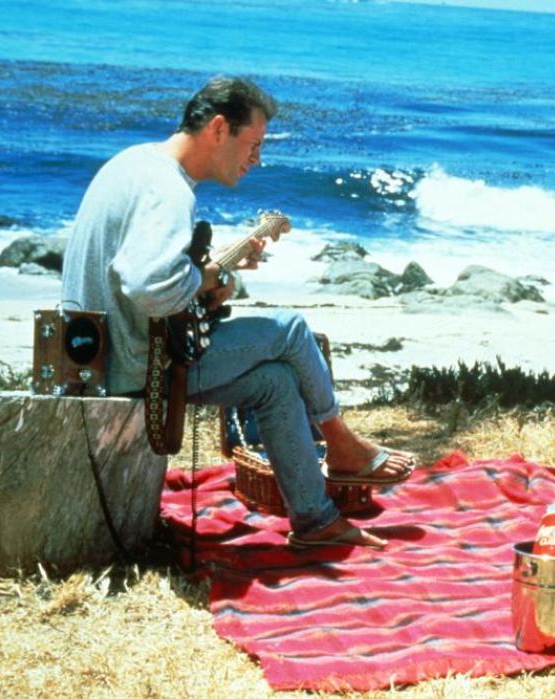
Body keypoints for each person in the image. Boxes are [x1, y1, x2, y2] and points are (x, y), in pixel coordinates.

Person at [61, 76, 414, 549]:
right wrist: (203, 279)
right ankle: (343, 444)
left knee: (275, 383)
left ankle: (315, 521)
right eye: (253, 144)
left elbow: (142, 283)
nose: (257, 159)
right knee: (289, 328)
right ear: (220, 128)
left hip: (104, 358)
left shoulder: (134, 163)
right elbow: (148, 286)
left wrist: (208, 286)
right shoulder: (170, 189)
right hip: (137, 365)